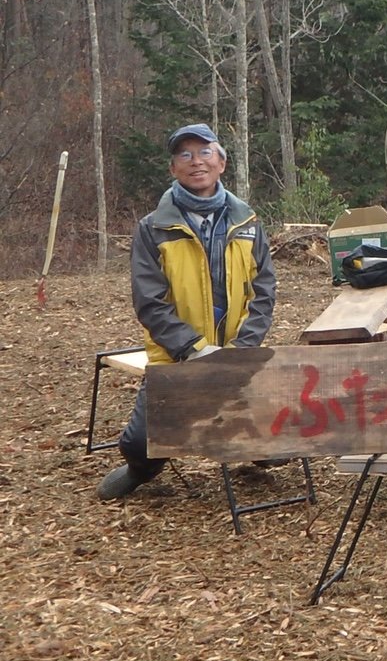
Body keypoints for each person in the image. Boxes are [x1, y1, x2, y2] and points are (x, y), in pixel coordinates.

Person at [98, 123, 277, 500]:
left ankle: (260, 453)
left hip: (237, 356)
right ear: (173, 169)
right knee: (140, 444)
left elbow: (264, 291)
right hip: (177, 357)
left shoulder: (248, 222)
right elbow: (150, 301)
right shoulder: (152, 229)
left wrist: (243, 349)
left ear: (222, 163)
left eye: (205, 152)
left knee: (278, 437)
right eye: (185, 154)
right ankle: (139, 469)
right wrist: (194, 348)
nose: (196, 162)